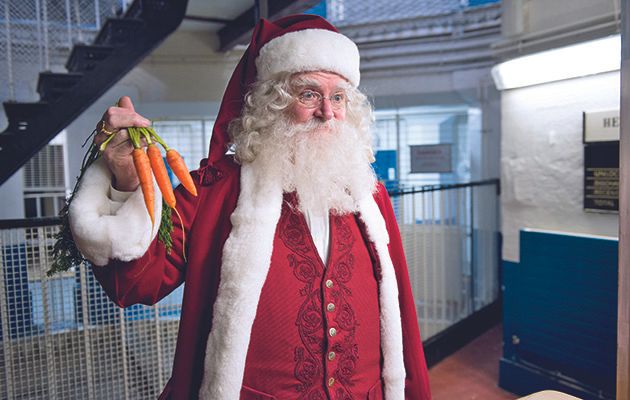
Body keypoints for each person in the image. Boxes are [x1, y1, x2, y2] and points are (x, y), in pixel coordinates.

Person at [68, 14, 432, 400]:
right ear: (271, 103)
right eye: (309, 94)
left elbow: (402, 320)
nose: (327, 111)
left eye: (338, 97)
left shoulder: (370, 195)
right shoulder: (215, 188)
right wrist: (127, 176)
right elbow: (136, 283)